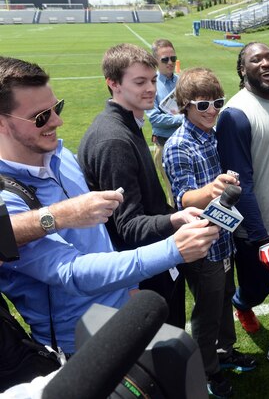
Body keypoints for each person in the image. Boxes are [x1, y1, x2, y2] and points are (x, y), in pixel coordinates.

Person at [0, 56, 218, 355]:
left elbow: (100, 234)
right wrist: (174, 249)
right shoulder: (7, 198)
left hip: (123, 312)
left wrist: (127, 287)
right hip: (81, 342)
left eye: (56, 108)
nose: (57, 121)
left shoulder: (61, 155)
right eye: (41, 117)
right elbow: (73, 273)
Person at [77, 43, 192, 328]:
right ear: (113, 83)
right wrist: (176, 219)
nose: (151, 89)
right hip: (142, 272)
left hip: (151, 262)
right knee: (162, 349)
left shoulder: (129, 124)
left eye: (152, 80)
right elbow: (128, 226)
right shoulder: (113, 140)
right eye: (140, 82)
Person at [162, 67, 256, 397]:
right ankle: (207, 371)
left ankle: (225, 352)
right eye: (203, 105)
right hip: (202, 245)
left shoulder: (214, 135)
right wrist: (212, 189)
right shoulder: (178, 145)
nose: (212, 110)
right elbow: (183, 198)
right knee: (206, 312)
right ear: (185, 105)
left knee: (223, 299)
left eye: (217, 102)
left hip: (224, 239)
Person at [216, 42, 269, 372]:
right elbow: (241, 184)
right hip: (254, 232)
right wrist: (262, 237)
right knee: (256, 289)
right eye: (256, 59)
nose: (266, 63)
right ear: (243, 70)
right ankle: (243, 302)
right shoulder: (235, 115)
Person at [146, 39, 184, 206]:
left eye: (173, 58)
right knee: (174, 193)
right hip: (165, 145)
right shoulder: (150, 85)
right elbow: (154, 119)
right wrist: (183, 118)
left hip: (186, 143)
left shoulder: (182, 81)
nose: (170, 63)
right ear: (155, 61)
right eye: (165, 59)